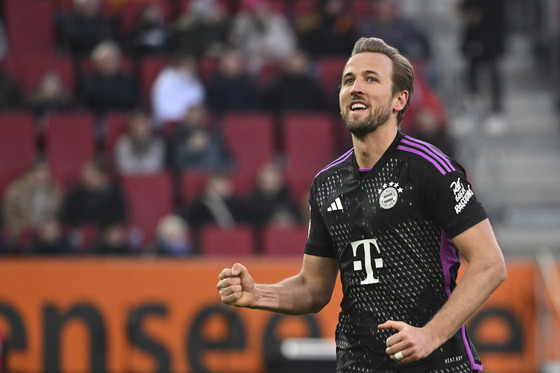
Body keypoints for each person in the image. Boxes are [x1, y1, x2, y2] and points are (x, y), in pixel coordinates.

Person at [217, 37, 507, 372]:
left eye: (371, 79)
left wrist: (430, 335)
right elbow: (314, 288)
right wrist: (258, 296)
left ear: (400, 100)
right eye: (348, 80)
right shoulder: (325, 184)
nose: (356, 87)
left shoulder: (428, 167)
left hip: (436, 363)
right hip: (358, 364)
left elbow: (490, 264)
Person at [2, 158, 63, 252]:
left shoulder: (54, 191)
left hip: (45, 232)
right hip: (23, 230)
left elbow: (57, 214)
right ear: (29, 174)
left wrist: (50, 226)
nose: (41, 177)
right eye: (38, 173)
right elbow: (9, 218)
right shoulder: (14, 192)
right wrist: (23, 229)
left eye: (44, 173)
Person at [79, 40, 140, 117]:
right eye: (106, 61)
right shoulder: (88, 83)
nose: (109, 64)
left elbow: (136, 105)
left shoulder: (128, 82)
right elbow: (84, 108)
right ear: (97, 63)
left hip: (125, 120)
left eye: (112, 60)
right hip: (98, 122)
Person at [150, 53, 205, 130]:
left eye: (191, 66)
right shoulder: (167, 78)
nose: (189, 69)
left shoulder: (196, 83)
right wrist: (180, 116)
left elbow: (198, 105)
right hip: (168, 119)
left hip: (189, 122)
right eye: (186, 65)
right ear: (180, 65)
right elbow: (158, 102)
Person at [114, 110, 166, 175]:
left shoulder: (157, 144)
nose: (144, 128)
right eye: (140, 125)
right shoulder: (123, 143)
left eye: (146, 124)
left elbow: (154, 167)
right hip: (128, 183)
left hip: (152, 182)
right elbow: (125, 168)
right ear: (132, 127)